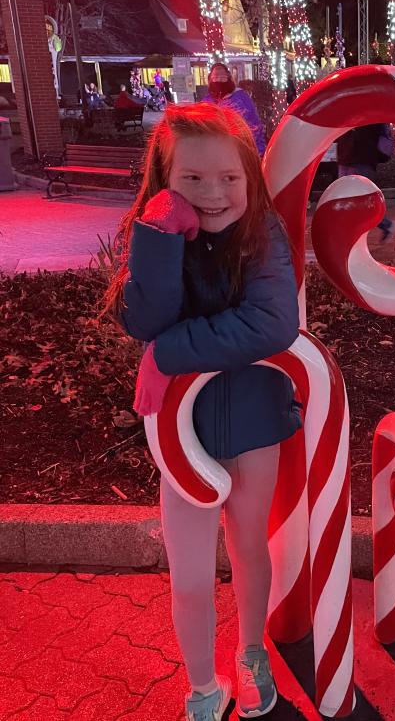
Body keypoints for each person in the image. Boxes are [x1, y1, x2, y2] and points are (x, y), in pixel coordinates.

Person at [101, 102, 301, 720]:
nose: (213, 194)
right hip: (180, 437)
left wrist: (169, 356)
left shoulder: (263, 233)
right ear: (165, 181)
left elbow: (273, 321)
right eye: (192, 179)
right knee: (188, 575)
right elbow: (146, 318)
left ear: (249, 179)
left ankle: (251, 654)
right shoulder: (157, 233)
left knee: (248, 548)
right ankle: (201, 685)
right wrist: (161, 236)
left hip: (252, 424)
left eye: (228, 179)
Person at [337, 123, 395, 242]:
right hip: (347, 156)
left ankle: (384, 225)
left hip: (360, 158)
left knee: (360, 200)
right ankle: (383, 225)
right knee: (345, 199)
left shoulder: (369, 115)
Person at [203, 62, 267, 156]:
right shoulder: (207, 102)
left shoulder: (240, 98)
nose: (219, 81)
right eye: (215, 78)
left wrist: (256, 152)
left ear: (228, 78)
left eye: (222, 78)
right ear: (210, 80)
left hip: (241, 151)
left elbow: (254, 125)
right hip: (215, 154)